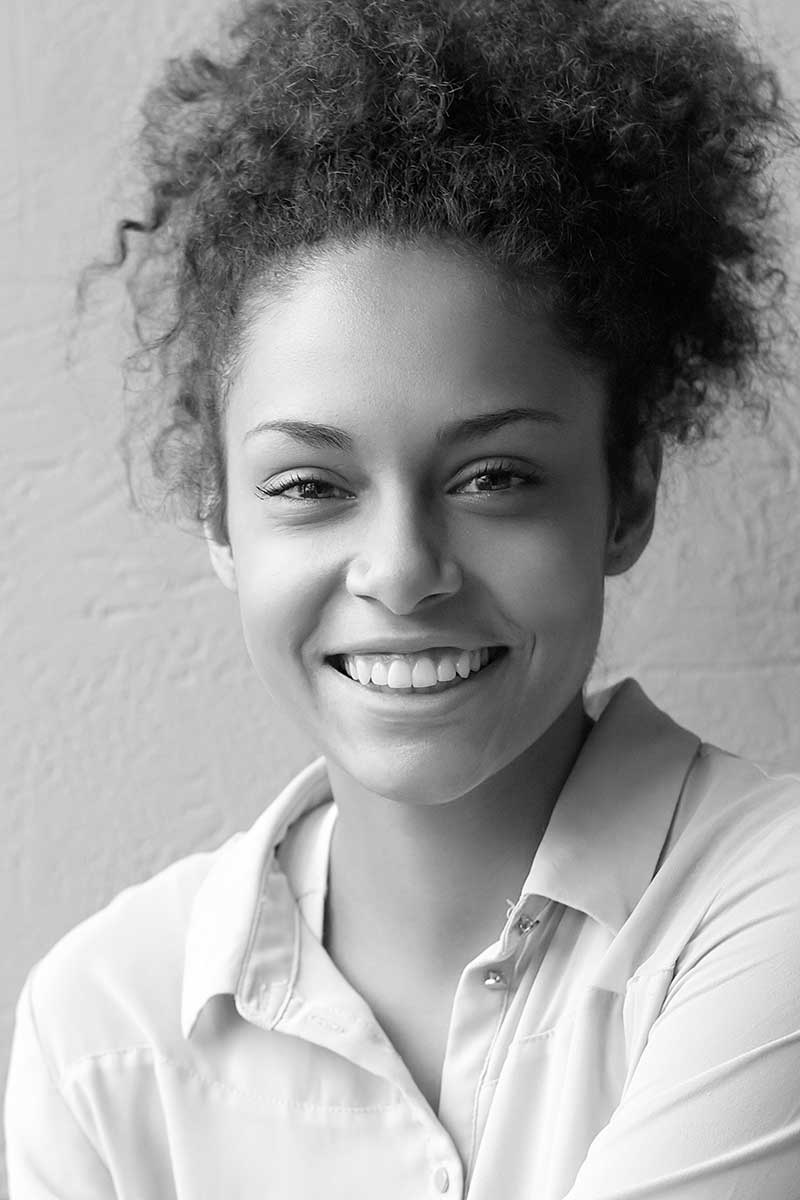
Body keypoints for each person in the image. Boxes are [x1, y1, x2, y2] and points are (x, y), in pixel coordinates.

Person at [5, 0, 800, 1195]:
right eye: (310, 486)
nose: (401, 568)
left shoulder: (764, 910)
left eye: (494, 477)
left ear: (625, 494)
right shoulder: (103, 1027)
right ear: (220, 520)